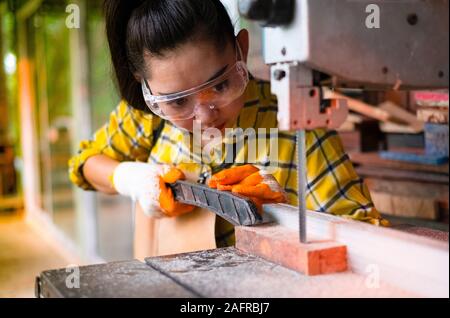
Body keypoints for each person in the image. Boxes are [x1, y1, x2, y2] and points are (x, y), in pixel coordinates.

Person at [69, 0, 387, 253]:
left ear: (241, 51)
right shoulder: (146, 117)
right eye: (178, 103)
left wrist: (284, 216)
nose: (205, 117)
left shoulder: (296, 123)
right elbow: (84, 164)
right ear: (146, 89)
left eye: (219, 86)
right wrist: (128, 178)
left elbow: (367, 240)